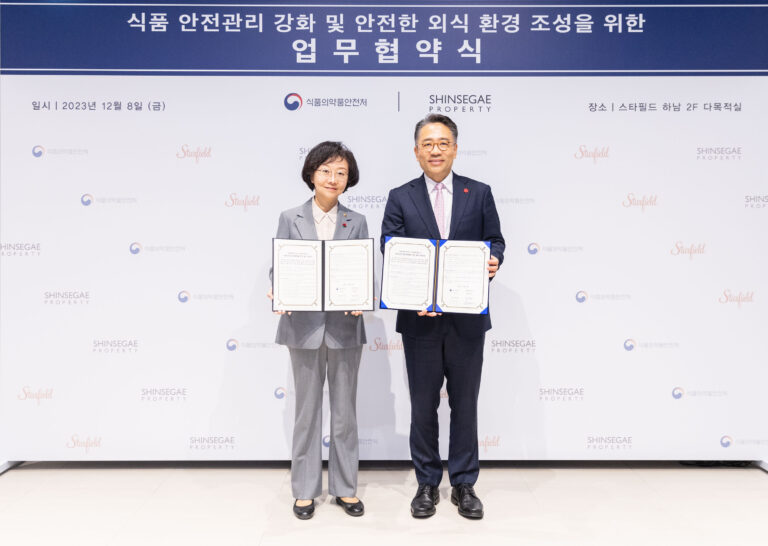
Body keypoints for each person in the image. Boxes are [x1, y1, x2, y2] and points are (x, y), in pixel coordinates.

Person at [380, 114, 505, 520]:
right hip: (419, 321)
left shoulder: (479, 192)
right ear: (416, 151)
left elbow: (496, 240)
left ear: (455, 148)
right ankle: (427, 483)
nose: (436, 150)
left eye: (443, 143)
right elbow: (390, 246)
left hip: (467, 319)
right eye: (428, 143)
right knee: (423, 405)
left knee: (465, 404)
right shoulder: (400, 196)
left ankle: (464, 484)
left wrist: (494, 259)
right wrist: (408, 284)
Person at [268, 141, 368, 520]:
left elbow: (362, 267)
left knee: (345, 415)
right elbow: (280, 265)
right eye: (325, 170)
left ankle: (345, 488)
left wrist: (362, 295)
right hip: (303, 326)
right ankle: (305, 490)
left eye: (341, 172)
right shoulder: (289, 217)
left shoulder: (356, 220)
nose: (333, 178)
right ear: (311, 174)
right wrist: (278, 289)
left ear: (349, 179)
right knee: (307, 413)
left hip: (345, 326)